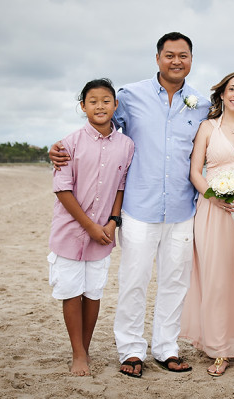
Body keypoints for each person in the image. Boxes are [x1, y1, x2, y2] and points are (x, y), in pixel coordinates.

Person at [49, 32, 210, 378]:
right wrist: (57, 148)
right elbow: (101, 133)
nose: (176, 61)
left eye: (183, 55)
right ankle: (132, 350)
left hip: (183, 209)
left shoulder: (201, 104)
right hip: (138, 206)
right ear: (157, 58)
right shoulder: (129, 96)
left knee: (174, 282)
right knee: (134, 280)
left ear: (191, 60)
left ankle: (166, 348)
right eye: (169, 55)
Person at [180, 72, 234, 380]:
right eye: (232, 88)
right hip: (214, 212)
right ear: (222, 93)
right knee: (217, 281)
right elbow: (195, 171)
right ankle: (219, 351)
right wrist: (213, 195)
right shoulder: (207, 127)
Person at [48, 78, 134, 376]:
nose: (100, 106)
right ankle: (78, 353)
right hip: (70, 232)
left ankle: (85, 347)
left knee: (93, 292)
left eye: (106, 100)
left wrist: (112, 222)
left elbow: (121, 186)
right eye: (93, 101)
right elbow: (62, 189)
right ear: (83, 106)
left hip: (103, 234)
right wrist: (90, 227)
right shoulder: (67, 143)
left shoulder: (126, 145)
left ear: (115, 105)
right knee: (72, 291)